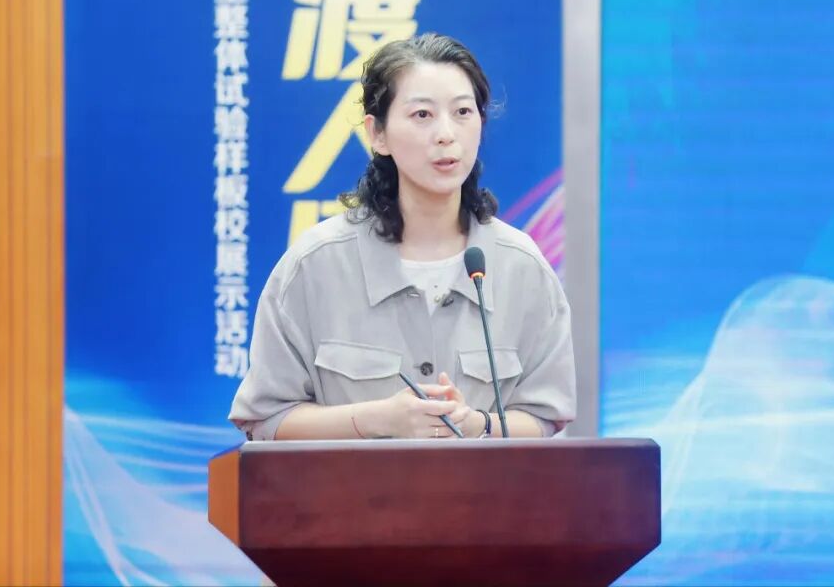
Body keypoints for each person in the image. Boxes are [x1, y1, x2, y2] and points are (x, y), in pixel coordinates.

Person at [229, 33, 575, 440]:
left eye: (463, 112)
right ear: (378, 134)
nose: (446, 134)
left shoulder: (522, 266)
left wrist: (478, 425)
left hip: (480, 485)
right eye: (422, 115)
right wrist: (376, 421)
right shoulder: (315, 264)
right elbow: (265, 419)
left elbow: (545, 417)